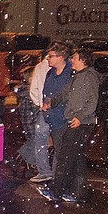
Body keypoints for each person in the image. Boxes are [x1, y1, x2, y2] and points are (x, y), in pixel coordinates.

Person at [38, 47, 100, 204]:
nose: (72, 60)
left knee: (65, 157)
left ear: (83, 61)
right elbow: (65, 94)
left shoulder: (89, 77)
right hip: (75, 121)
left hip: (80, 123)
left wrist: (80, 117)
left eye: (75, 58)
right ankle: (78, 193)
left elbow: (92, 100)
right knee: (76, 158)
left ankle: (56, 192)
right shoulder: (77, 77)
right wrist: (50, 103)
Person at [37, 42, 73, 182]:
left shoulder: (70, 73)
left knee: (61, 150)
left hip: (63, 117)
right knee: (44, 141)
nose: (47, 58)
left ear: (60, 57)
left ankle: (59, 180)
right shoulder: (50, 73)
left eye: (51, 56)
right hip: (50, 116)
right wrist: (46, 104)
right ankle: (52, 176)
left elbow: (69, 95)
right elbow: (46, 92)